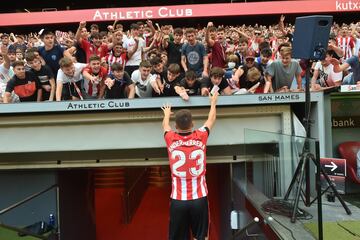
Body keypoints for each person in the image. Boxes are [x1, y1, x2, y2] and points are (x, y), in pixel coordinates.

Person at [161, 91, 218, 240]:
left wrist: (167, 113)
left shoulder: (170, 138)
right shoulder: (201, 135)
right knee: (201, 237)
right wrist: (213, 102)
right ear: (192, 124)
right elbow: (211, 119)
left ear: (176, 126)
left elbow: (165, 126)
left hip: (178, 201)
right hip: (199, 199)